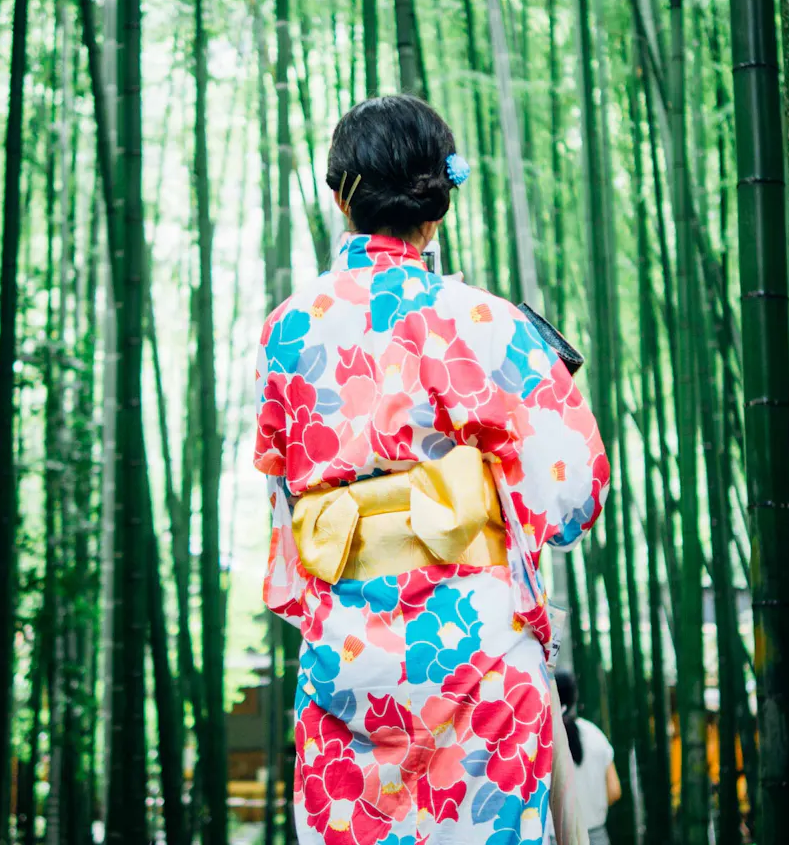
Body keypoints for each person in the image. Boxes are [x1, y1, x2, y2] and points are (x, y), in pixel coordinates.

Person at [254, 95, 611, 844]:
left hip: (344, 661)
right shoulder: (480, 319)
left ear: (338, 195)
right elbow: (575, 490)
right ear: (438, 204)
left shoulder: (284, 331)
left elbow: (284, 495)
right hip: (477, 652)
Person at [553, 672, 621, 845]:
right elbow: (614, 790)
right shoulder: (595, 735)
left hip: (556, 838)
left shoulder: (541, 740)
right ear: (574, 697)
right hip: (596, 837)